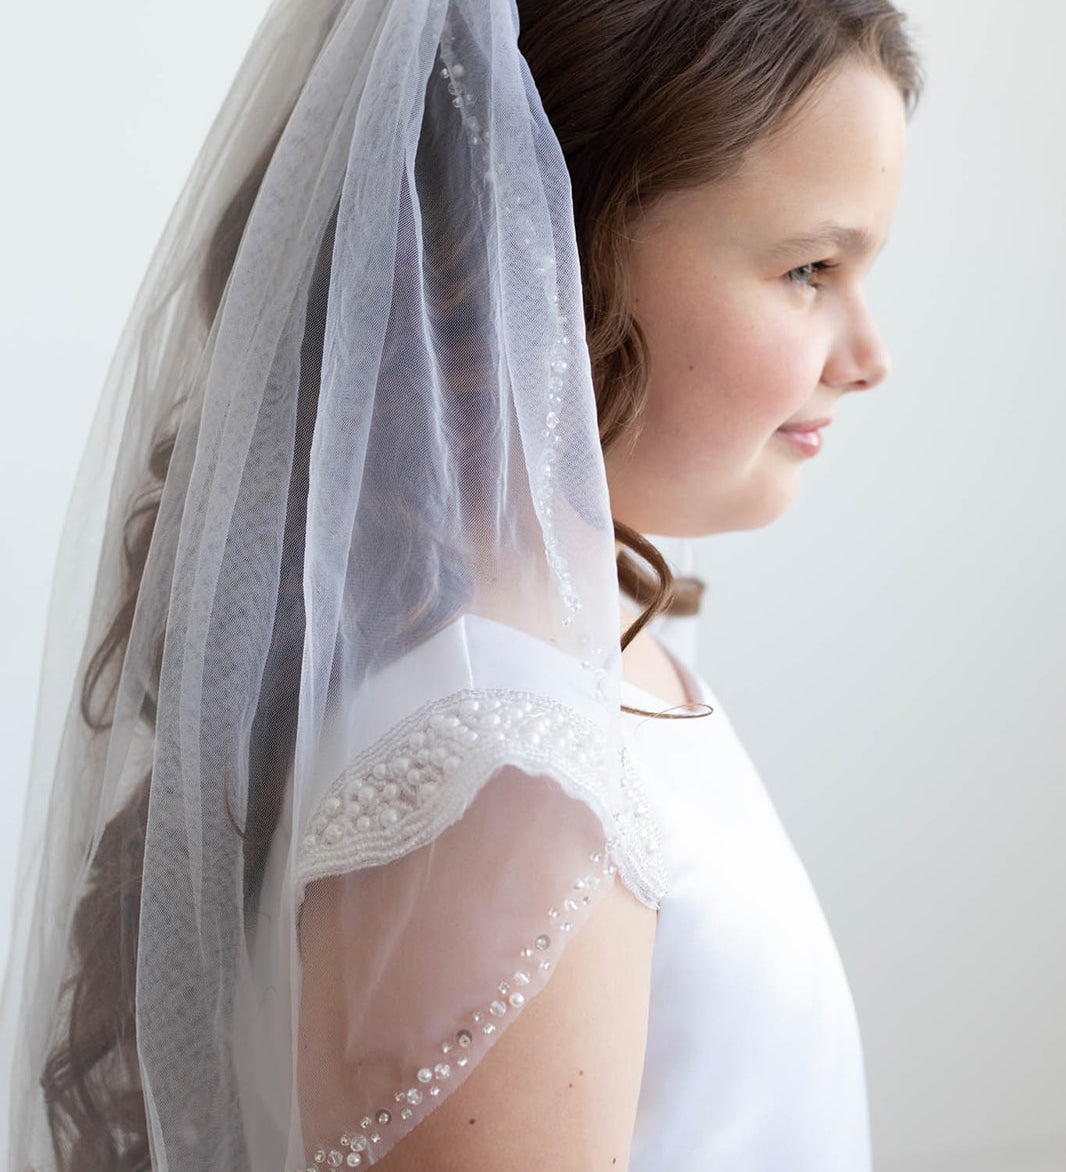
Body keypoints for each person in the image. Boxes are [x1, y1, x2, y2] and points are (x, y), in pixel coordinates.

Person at [0, 1, 922, 1170]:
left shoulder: (540, 655)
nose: (869, 354)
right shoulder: (505, 768)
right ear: (548, 244)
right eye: (807, 268)